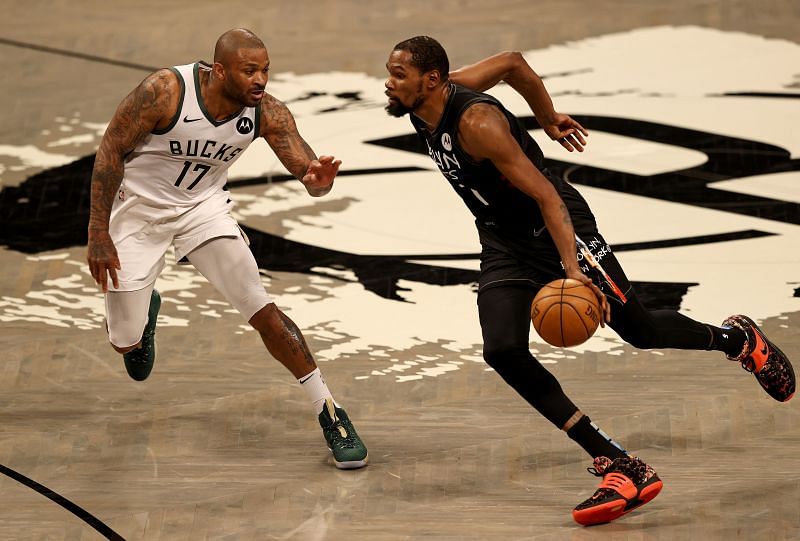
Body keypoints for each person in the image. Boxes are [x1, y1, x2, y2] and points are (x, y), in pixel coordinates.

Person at [384, 36, 795, 525]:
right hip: (504, 241)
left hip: (558, 228)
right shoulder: (423, 103)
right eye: (390, 72)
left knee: (639, 331)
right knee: (502, 350)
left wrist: (575, 275)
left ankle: (739, 339)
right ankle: (619, 464)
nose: (388, 83)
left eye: (399, 75)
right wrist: (549, 117)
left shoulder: (477, 123)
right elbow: (514, 64)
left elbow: (548, 198)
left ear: (431, 80)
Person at [86, 28, 368, 470]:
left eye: (266, 70)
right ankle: (142, 321)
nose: (261, 80)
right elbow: (109, 152)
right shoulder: (165, 92)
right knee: (125, 342)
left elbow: (307, 171)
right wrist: (98, 231)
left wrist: (318, 184)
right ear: (220, 71)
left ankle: (331, 412)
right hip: (139, 213)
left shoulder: (266, 112)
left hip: (203, 210)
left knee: (261, 307)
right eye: (250, 70)